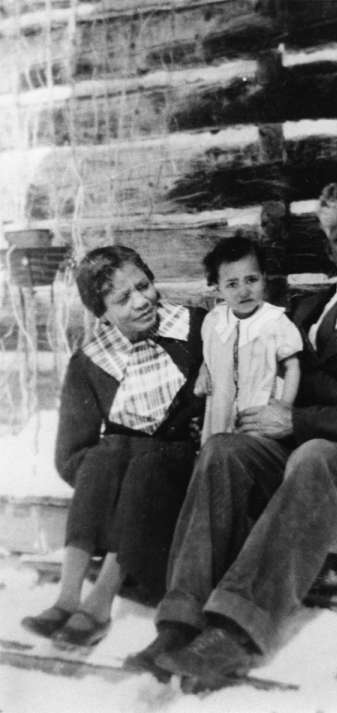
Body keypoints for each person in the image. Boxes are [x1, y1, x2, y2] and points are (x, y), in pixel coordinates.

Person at [126, 181, 337, 689]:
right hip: (310, 459)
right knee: (224, 451)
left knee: (315, 454)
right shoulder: (302, 310)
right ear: (329, 247)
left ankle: (233, 631)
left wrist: (298, 420)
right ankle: (179, 620)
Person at [22, 246, 205, 647]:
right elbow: (71, 456)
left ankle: (100, 602)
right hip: (128, 498)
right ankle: (68, 597)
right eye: (123, 298)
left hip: (184, 485)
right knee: (110, 451)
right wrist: (114, 469)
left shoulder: (194, 330)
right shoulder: (90, 363)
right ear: (101, 313)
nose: (141, 301)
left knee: (140, 455)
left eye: (143, 286)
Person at [193, 234, 302, 443]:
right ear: (218, 287)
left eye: (251, 280)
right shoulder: (214, 320)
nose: (244, 291)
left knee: (247, 450)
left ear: (263, 277)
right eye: (232, 284)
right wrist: (203, 371)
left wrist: (285, 406)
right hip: (221, 408)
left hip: (256, 411)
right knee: (218, 445)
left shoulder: (274, 321)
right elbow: (211, 355)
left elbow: (293, 367)